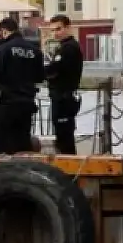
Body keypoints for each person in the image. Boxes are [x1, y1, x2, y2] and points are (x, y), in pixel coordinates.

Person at [0, 17, 44, 154]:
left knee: (3, 141)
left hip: (7, 102)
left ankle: (7, 170)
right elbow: (40, 76)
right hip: (27, 102)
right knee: (23, 140)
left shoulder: (3, 48)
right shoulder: (34, 50)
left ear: (4, 31)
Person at [44, 14, 84, 155]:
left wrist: (45, 70)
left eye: (58, 29)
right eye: (53, 30)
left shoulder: (69, 48)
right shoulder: (63, 47)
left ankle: (69, 168)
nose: (55, 33)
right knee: (62, 136)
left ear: (68, 28)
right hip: (61, 97)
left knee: (65, 138)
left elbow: (54, 70)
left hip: (64, 98)